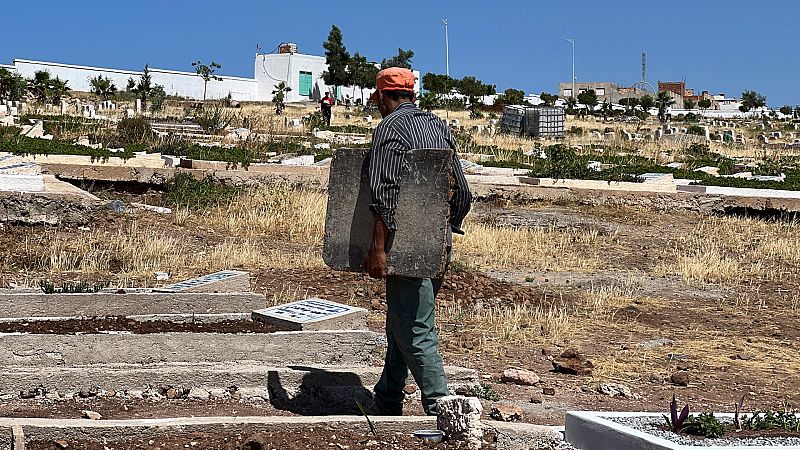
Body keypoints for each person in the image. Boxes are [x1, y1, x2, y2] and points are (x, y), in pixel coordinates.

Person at [364, 67, 471, 416]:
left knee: (413, 326)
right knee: (404, 317)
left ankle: (444, 409)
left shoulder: (389, 128)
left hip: (403, 242)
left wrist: (379, 248)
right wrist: (444, 229)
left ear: (382, 96)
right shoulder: (437, 126)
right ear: (412, 94)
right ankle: (388, 397)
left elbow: (383, 194)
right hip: (437, 240)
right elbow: (462, 191)